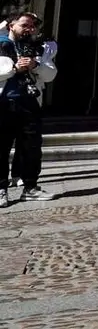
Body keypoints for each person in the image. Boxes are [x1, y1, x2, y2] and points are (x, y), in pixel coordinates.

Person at [0, 13, 58, 206]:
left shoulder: (37, 48)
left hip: (29, 103)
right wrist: (15, 69)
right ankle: (1, 189)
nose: (29, 29)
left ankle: (30, 187)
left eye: (32, 26)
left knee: (31, 148)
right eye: (25, 25)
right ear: (11, 26)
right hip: (4, 102)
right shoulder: (2, 44)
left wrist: (35, 65)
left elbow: (51, 73)